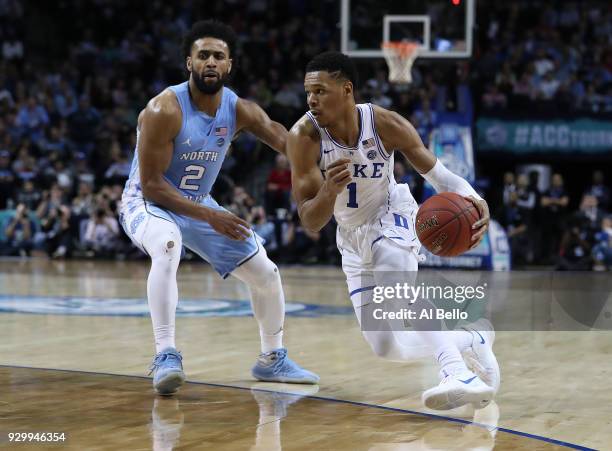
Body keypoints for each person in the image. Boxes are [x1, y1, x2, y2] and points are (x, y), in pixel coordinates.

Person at [286, 51, 499, 410]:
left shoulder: (384, 124)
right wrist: (328, 191)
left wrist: (476, 200)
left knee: (396, 287)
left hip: (391, 214)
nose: (311, 100)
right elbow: (310, 221)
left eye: (320, 91)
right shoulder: (303, 137)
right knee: (387, 347)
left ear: (346, 90)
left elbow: (439, 175)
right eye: (309, 92)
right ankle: (472, 339)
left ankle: (456, 371)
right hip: (350, 237)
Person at [119, 20, 318, 395]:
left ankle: (271, 359)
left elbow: (287, 143)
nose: (211, 62)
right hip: (147, 202)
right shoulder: (164, 109)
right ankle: (166, 355)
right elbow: (153, 185)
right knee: (166, 245)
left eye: (219, 56)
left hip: (197, 204)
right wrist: (211, 214)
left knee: (267, 274)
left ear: (229, 65)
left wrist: (333, 156)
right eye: (203, 55)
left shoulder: (240, 109)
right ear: (188, 63)